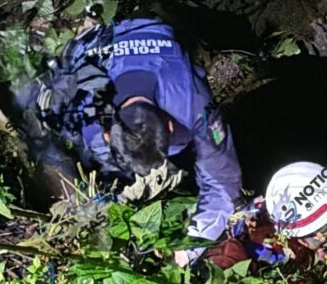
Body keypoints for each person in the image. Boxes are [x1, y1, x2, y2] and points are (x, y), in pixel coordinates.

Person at [13, 18, 242, 266]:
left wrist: (190, 246)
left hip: (157, 47)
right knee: (72, 142)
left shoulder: (193, 107)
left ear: (168, 125)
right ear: (108, 133)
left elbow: (223, 185)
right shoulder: (83, 108)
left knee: (193, 147)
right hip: (96, 51)